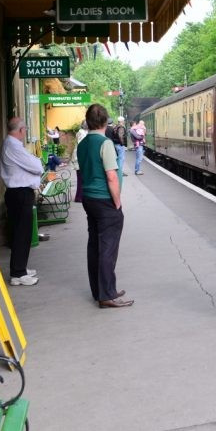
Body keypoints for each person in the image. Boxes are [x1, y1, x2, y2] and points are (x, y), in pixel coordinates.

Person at [76, 103, 132, 308]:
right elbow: (111, 176)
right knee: (108, 248)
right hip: (104, 200)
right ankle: (107, 295)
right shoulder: (105, 143)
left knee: (95, 246)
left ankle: (100, 290)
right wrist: (117, 202)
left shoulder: (82, 144)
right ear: (105, 121)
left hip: (89, 199)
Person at [0, 116, 43, 286]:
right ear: (21, 130)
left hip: (19, 193)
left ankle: (21, 269)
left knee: (22, 233)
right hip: (20, 194)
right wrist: (36, 165)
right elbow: (37, 167)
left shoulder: (13, 145)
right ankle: (18, 273)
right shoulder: (13, 146)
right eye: (25, 130)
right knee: (21, 233)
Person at [111, 116, 129, 183]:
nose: (124, 121)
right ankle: (120, 172)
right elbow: (120, 136)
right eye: (123, 120)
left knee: (118, 159)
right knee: (121, 159)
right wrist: (122, 144)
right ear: (121, 121)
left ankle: (119, 171)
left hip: (116, 144)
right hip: (119, 145)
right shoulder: (121, 127)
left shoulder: (115, 126)